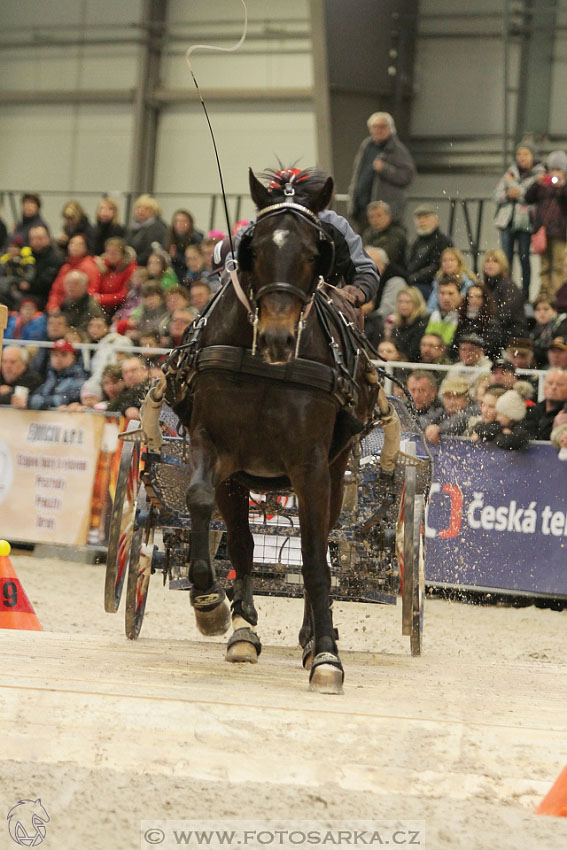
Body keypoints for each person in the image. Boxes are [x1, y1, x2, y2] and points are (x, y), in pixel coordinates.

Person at [347, 111, 416, 231]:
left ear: (390, 128)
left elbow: (408, 176)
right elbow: (356, 175)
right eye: (375, 127)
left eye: (382, 127)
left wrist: (384, 169)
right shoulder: (366, 146)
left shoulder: (398, 150)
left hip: (385, 216)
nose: (378, 130)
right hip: (362, 212)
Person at [493, 143, 544, 300]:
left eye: (526, 154)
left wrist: (517, 192)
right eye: (519, 154)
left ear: (533, 156)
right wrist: (508, 195)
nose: (521, 158)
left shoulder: (540, 176)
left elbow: (534, 197)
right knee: (505, 258)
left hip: (525, 222)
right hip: (506, 221)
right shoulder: (510, 173)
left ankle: (524, 293)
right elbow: (496, 195)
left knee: (524, 256)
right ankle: (504, 291)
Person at [525, 150, 567, 299]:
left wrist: (561, 187)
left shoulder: (564, 188)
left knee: (557, 266)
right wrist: (536, 183)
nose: (555, 173)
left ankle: (557, 296)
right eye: (552, 169)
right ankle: (545, 296)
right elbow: (528, 197)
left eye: (558, 170)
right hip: (542, 231)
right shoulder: (542, 185)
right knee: (544, 266)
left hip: (560, 233)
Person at [23, 339, 87, 410]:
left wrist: (29, 401)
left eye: (64, 355)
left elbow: (65, 400)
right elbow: (38, 394)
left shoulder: (79, 378)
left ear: (73, 357)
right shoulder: (51, 375)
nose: (58, 359)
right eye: (55, 355)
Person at [406, 205, 453, 300]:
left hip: (431, 284)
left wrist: (414, 277)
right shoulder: (415, 242)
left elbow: (437, 266)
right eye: (419, 218)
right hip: (414, 282)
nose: (422, 221)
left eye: (426, 217)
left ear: (436, 220)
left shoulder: (443, 241)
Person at [46, 233, 101, 313]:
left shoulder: (89, 266)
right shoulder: (65, 267)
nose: (74, 246)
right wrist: (52, 306)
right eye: (72, 243)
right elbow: (55, 291)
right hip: (60, 308)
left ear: (86, 248)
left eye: (80, 244)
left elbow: (90, 293)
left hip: (78, 309)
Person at [481, 249, 527, 343]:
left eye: (495, 261)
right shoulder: (488, 286)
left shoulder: (508, 286)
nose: (490, 264)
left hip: (511, 334)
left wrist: (487, 322)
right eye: (487, 261)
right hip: (498, 331)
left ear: (503, 265)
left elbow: (507, 313)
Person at [83, 313, 133, 393]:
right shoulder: (86, 345)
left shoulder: (118, 341)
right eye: (91, 326)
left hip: (112, 381)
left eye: (98, 326)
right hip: (96, 382)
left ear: (107, 328)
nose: (94, 329)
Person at [451, 282, 500, 360]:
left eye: (478, 297)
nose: (474, 300)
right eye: (471, 296)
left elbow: (489, 347)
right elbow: (455, 343)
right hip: (462, 360)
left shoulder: (491, 321)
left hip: (483, 361)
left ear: (484, 299)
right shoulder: (463, 318)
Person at [423, 376, 478, 444]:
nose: (452, 402)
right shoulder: (442, 410)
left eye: (456, 397)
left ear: (467, 397)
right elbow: (424, 420)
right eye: (448, 397)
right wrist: (428, 428)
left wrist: (439, 429)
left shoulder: (474, 410)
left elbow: (461, 419)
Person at [93, 237, 137, 314]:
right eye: (108, 252)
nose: (111, 255)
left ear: (122, 253)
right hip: (102, 306)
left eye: (115, 252)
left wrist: (101, 299)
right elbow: (94, 287)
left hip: (120, 308)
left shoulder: (130, 269)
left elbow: (124, 295)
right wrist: (93, 297)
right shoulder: (103, 266)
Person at [427, 247, 476, 313]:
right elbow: (432, 305)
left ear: (458, 262)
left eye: (451, 260)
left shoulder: (467, 282)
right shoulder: (437, 281)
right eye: (444, 260)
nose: (447, 263)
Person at [25, 225, 64, 310]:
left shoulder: (56, 257)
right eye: (33, 239)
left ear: (48, 238)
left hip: (46, 298)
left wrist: (27, 286)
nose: (36, 242)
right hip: (30, 294)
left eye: (40, 238)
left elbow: (46, 283)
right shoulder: (28, 255)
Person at [361, 201, 407, 269]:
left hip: (393, 274)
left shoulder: (397, 233)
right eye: (371, 217)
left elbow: (386, 256)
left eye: (379, 216)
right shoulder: (368, 233)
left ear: (389, 216)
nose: (375, 220)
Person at [125, 194, 168, 266]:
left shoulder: (158, 228)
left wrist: (133, 263)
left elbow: (150, 251)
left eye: (147, 208)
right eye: (138, 207)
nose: (141, 211)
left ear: (154, 211)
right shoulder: (133, 227)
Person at [524, 368, 567, 440]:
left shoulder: (564, 415)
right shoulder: (533, 410)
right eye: (550, 383)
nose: (553, 387)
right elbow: (526, 435)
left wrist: (559, 431)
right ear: (544, 386)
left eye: (560, 385)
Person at [364, 246, 406, 320]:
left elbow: (386, 313)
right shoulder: (366, 278)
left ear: (382, 265)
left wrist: (365, 315)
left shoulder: (396, 281)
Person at [389, 287, 429, 363]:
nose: (403, 305)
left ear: (416, 303)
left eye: (408, 302)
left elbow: (413, 351)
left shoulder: (423, 323)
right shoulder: (398, 324)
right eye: (400, 302)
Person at [60, 270, 106, 334]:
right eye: (68, 283)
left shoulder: (92, 307)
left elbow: (90, 331)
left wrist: (67, 331)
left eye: (75, 283)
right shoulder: (63, 303)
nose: (71, 286)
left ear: (85, 286)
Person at [529, 295, 567, 367]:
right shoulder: (534, 330)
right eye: (537, 309)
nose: (541, 313)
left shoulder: (563, 325)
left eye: (546, 309)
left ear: (555, 311)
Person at [424, 276, 462, 347]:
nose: (446, 298)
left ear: (460, 296)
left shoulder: (464, 319)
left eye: (450, 293)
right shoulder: (431, 316)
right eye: (442, 293)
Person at [167, 209, 204, 282]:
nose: (180, 224)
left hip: (190, 275)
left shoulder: (196, 238)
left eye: (183, 221)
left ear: (190, 223)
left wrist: (176, 257)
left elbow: (194, 262)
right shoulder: (171, 237)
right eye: (177, 221)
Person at [0, 237, 36, 309]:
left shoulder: (26, 259)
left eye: (15, 247)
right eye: (10, 247)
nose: (12, 249)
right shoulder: (5, 260)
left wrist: (26, 281)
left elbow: (30, 273)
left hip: (20, 289)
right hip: (7, 286)